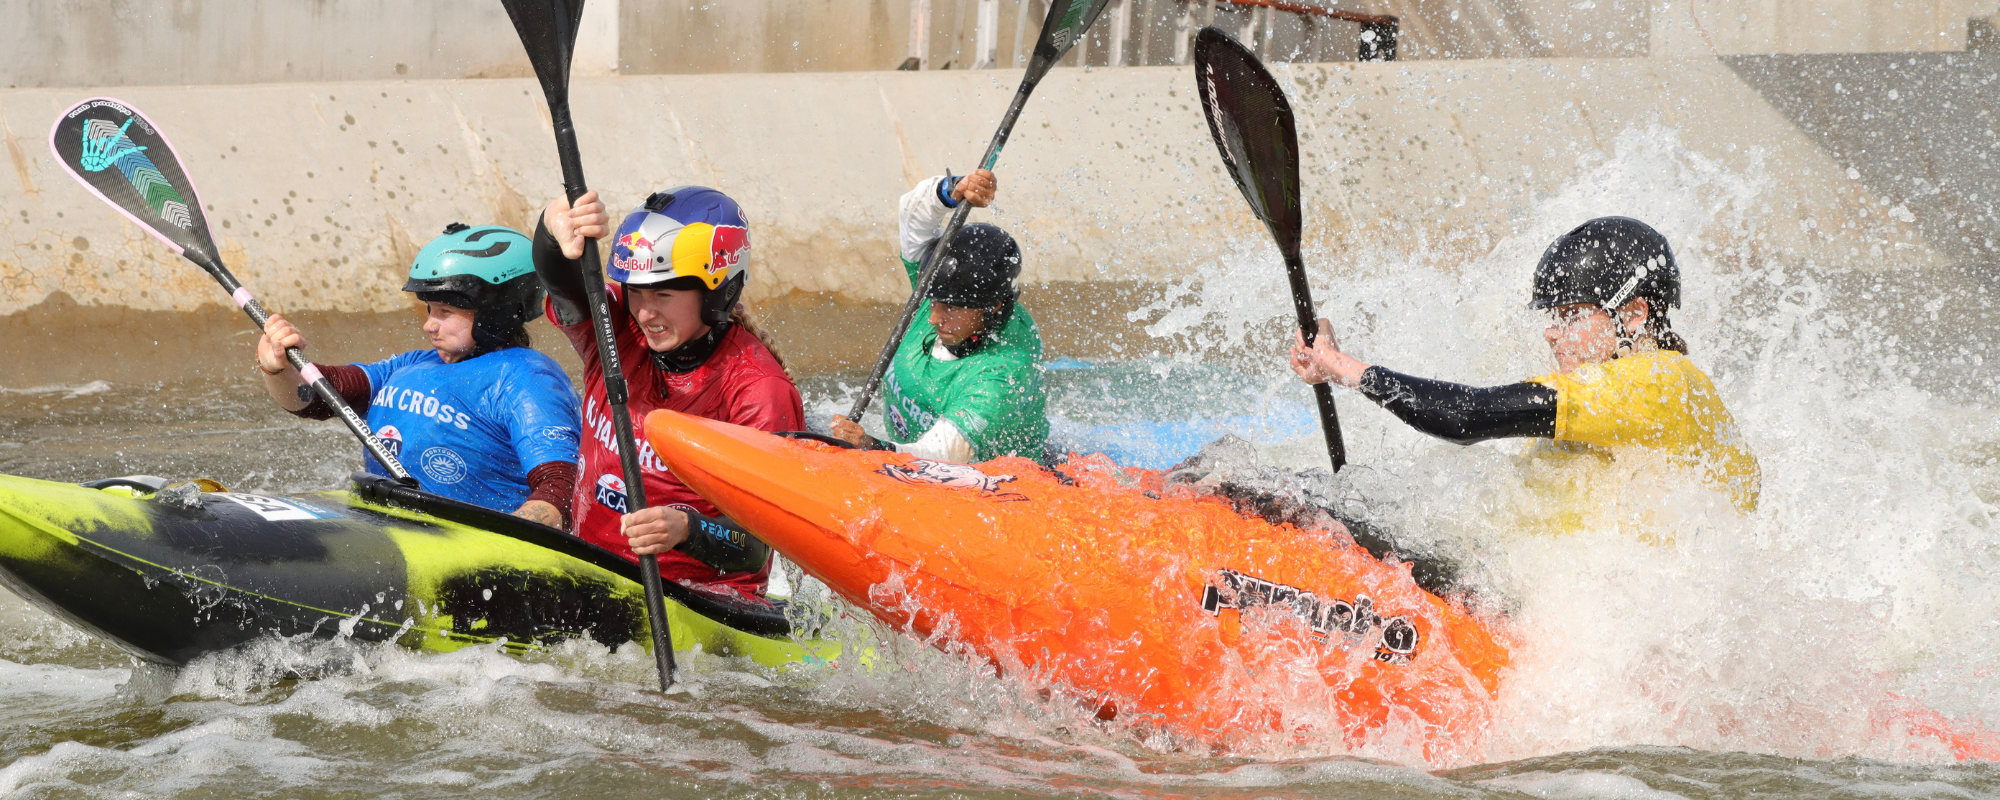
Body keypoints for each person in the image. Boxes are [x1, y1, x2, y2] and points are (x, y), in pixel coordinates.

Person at [1288, 216, 1761, 513]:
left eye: (1572, 315)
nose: (1552, 332)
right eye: (1553, 316)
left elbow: (1468, 416)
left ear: (1634, 314)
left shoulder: (1663, 384)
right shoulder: (1610, 398)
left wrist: (1342, 367)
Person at [536, 186, 798, 600]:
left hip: (699, 600)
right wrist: (554, 229)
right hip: (595, 572)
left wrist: (686, 529)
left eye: (663, 294)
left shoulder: (758, 391)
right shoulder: (616, 328)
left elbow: (761, 544)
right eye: (637, 291)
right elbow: (564, 287)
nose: (644, 312)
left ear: (718, 292)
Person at [256, 222, 582, 527]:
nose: (429, 325)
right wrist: (278, 366)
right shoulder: (412, 364)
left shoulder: (525, 378)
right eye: (429, 309)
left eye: (446, 312)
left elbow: (560, 488)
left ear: (495, 312)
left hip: (468, 545)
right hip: (388, 525)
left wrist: (500, 547)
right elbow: (315, 399)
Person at [828, 169, 1049, 463]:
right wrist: (954, 189)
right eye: (933, 301)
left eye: (950, 308)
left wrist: (868, 445)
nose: (932, 317)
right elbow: (912, 213)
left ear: (993, 307)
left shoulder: (1000, 376)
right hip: (907, 451)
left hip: (993, 486)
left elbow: (942, 456)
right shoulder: (938, 286)